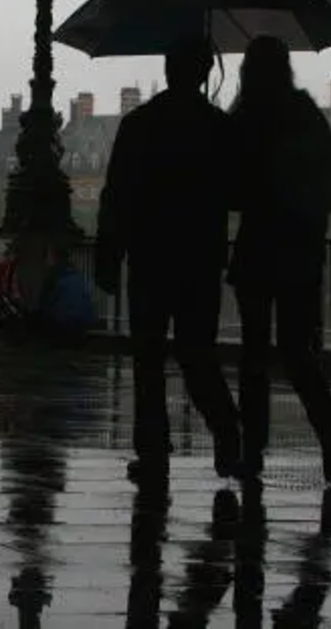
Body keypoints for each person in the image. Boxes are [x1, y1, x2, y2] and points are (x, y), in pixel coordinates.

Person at [96, 37, 242, 481]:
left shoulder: (140, 123)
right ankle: (226, 431)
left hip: (149, 255)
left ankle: (154, 450)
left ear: (167, 68)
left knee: (148, 358)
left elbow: (115, 195)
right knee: (198, 354)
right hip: (198, 256)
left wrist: (108, 254)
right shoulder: (217, 126)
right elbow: (236, 193)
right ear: (204, 73)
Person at [228, 35, 331, 483]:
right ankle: (329, 431)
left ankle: (252, 448)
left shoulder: (245, 119)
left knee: (253, 355)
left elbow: (231, 185)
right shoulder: (304, 114)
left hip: (258, 245)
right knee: (298, 352)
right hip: (299, 248)